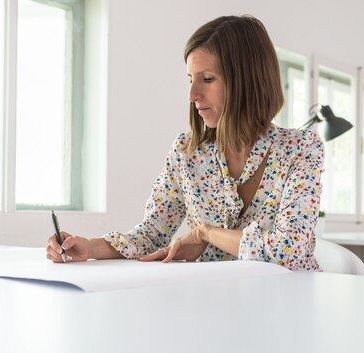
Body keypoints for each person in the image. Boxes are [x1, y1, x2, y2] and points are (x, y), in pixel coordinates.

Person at [46, 15, 324, 271]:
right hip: (212, 303)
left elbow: (289, 252)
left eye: (207, 79)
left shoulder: (301, 148)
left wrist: (206, 233)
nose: (192, 94)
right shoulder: (186, 153)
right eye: (190, 79)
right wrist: (89, 247)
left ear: (248, 81)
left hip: (288, 304)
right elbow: (152, 234)